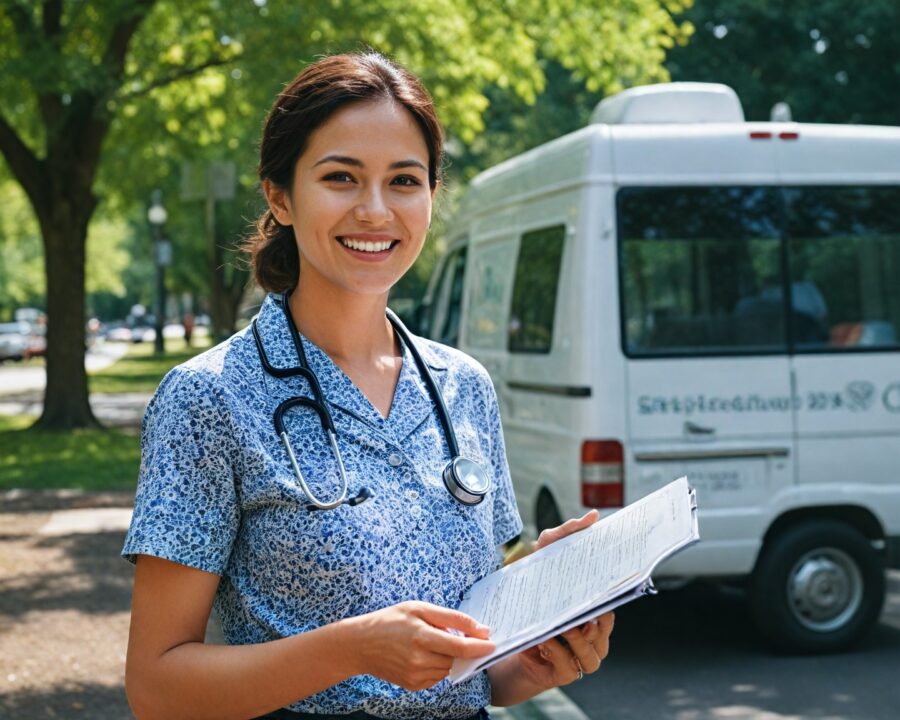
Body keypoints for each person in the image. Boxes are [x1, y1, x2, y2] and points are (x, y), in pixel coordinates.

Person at [122, 51, 614, 720]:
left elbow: (473, 671)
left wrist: (537, 650)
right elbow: (157, 687)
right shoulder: (209, 399)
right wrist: (351, 650)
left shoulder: (462, 387)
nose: (375, 210)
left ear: (432, 197)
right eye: (341, 177)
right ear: (280, 196)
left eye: (404, 180)